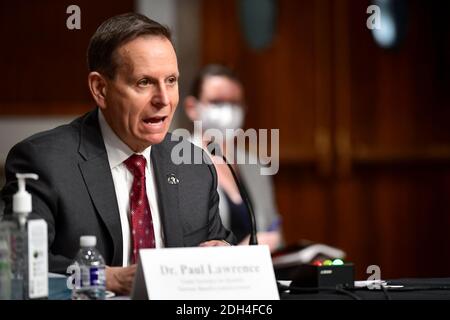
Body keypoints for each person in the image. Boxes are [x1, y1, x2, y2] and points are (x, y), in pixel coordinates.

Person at [1, 13, 235, 295]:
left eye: (171, 80)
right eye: (144, 82)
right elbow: (19, 265)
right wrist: (102, 278)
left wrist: (224, 252)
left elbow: (221, 244)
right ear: (101, 89)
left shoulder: (192, 165)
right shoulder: (44, 162)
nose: (163, 99)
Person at [183, 64, 283, 252]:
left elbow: (274, 229)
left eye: (235, 103)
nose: (227, 111)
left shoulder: (255, 165)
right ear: (192, 107)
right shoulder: (178, 163)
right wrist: (242, 251)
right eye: (217, 102)